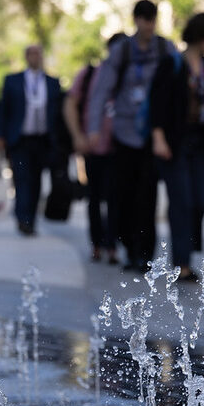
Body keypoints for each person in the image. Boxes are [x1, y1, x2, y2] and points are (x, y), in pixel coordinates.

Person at [86, 0, 176, 271]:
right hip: (124, 133)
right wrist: (93, 128)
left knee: (147, 195)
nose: (147, 24)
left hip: (153, 133)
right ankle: (129, 249)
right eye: (143, 18)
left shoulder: (165, 48)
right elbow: (101, 90)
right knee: (123, 194)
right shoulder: (122, 51)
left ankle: (145, 254)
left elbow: (177, 86)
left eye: (152, 19)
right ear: (135, 19)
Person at [148, 12, 204, 281]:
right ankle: (182, 263)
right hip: (174, 142)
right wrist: (158, 138)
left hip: (200, 142)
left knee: (201, 199)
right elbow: (157, 104)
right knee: (180, 200)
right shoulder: (172, 64)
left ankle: (188, 253)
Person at [64, 33, 127, 264]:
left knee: (115, 197)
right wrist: (78, 135)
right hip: (93, 148)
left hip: (119, 148)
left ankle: (112, 244)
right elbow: (70, 103)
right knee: (94, 197)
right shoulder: (90, 74)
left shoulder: (128, 76)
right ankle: (97, 245)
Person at [0, 44, 62, 236]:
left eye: (39, 54)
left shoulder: (52, 83)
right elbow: (4, 111)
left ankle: (31, 219)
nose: (36, 57)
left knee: (36, 182)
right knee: (22, 178)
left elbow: (57, 113)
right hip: (21, 140)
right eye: (33, 54)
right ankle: (22, 218)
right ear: (26, 57)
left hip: (42, 140)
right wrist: (2, 137)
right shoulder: (12, 81)